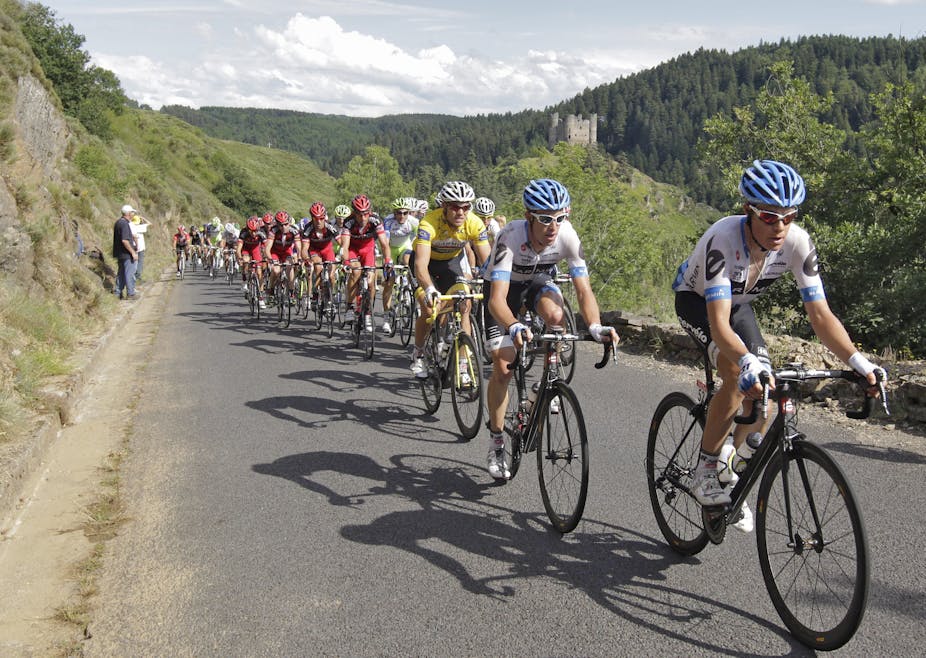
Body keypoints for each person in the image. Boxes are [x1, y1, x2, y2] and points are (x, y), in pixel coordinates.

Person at [673, 159, 886, 529]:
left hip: (739, 307)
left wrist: (859, 362)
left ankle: (729, 462)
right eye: (769, 216)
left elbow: (820, 316)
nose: (780, 227)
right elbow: (720, 325)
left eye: (788, 217)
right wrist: (744, 360)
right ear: (748, 212)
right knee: (736, 372)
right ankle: (706, 469)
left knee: (764, 395)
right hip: (698, 303)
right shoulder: (723, 239)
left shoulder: (798, 243)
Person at [482, 178, 618, 479]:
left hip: (537, 282)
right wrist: (514, 324)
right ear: (529, 216)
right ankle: (496, 440)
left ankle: (547, 383)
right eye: (545, 219)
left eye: (560, 217)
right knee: (503, 367)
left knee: (557, 316)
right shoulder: (510, 237)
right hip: (503, 290)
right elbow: (496, 300)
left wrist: (595, 325)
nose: (553, 226)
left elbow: (583, 291)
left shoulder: (567, 236)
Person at [410, 181, 491, 377]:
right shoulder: (429, 222)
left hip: (450, 264)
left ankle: (463, 363)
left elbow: (489, 261)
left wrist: (496, 281)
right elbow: (420, 265)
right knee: (429, 310)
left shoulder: (474, 223)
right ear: (444, 206)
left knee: (465, 304)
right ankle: (418, 353)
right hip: (425, 265)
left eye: (466, 207)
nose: (461, 212)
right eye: (455, 207)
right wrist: (429, 288)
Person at [338, 194, 392, 328]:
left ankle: (367, 312)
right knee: (355, 273)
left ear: (370, 212)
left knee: (370, 281)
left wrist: (387, 261)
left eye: (365, 214)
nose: (363, 218)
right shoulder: (348, 222)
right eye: (359, 214)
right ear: (354, 213)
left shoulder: (375, 220)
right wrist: (345, 263)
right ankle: (350, 307)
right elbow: (344, 246)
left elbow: (384, 244)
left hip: (368, 249)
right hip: (353, 250)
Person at [381, 197, 420, 333]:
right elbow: (385, 241)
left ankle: (409, 288)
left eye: (405, 213)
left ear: (409, 213)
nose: (402, 216)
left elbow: (418, 239)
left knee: (408, 261)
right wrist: (388, 260)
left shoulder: (414, 222)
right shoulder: (388, 221)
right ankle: (386, 317)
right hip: (390, 249)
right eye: (398, 213)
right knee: (389, 283)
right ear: (394, 213)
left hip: (404, 247)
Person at [299, 202, 339, 307]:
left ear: (324, 217)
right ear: (312, 217)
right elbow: (304, 249)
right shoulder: (308, 229)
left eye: (321, 218)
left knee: (331, 275)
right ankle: (315, 293)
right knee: (318, 268)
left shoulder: (329, 226)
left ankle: (331, 294)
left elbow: (342, 242)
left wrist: (343, 254)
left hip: (327, 249)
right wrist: (307, 259)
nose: (318, 221)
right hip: (314, 250)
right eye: (315, 218)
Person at [264, 210, 301, 304]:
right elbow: (267, 248)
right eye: (280, 225)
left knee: (290, 267)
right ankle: (270, 291)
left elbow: (299, 247)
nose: (283, 227)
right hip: (275, 252)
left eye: (285, 224)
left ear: (289, 222)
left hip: (286, 252)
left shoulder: (294, 231)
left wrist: (299, 258)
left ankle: (292, 293)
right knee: (276, 270)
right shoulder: (273, 230)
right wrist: (271, 260)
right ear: (277, 224)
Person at [236, 216, 268, 308]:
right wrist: (240, 258)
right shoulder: (244, 233)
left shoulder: (261, 232)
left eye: (255, 231)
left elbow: (266, 247)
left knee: (259, 272)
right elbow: (238, 249)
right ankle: (245, 280)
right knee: (246, 261)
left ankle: (261, 298)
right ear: (247, 229)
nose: (254, 233)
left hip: (255, 249)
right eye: (251, 231)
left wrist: (266, 257)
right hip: (245, 249)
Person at [113, 204, 138, 299]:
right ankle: (130, 293)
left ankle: (118, 292)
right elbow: (125, 240)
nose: (133, 214)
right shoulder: (124, 224)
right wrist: (132, 252)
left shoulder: (118, 222)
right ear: (128, 213)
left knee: (121, 273)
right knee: (129, 273)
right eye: (132, 212)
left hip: (120, 253)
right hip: (126, 254)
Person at [130, 211, 151, 282]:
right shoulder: (141, 227)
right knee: (140, 262)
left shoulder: (130, 226)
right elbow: (149, 223)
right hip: (140, 247)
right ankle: (137, 277)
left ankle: (133, 276)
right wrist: (142, 218)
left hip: (132, 247)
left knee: (133, 263)